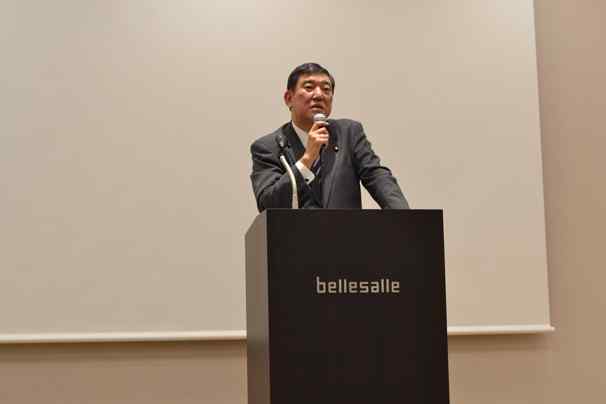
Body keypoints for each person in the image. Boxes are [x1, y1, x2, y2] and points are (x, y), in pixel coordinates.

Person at [250, 63, 409, 211]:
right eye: (309, 87)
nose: (319, 95)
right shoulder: (268, 147)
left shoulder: (348, 133)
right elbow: (267, 204)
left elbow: (377, 176)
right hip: (295, 232)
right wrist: (307, 159)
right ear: (288, 98)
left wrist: (406, 219)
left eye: (326, 89)